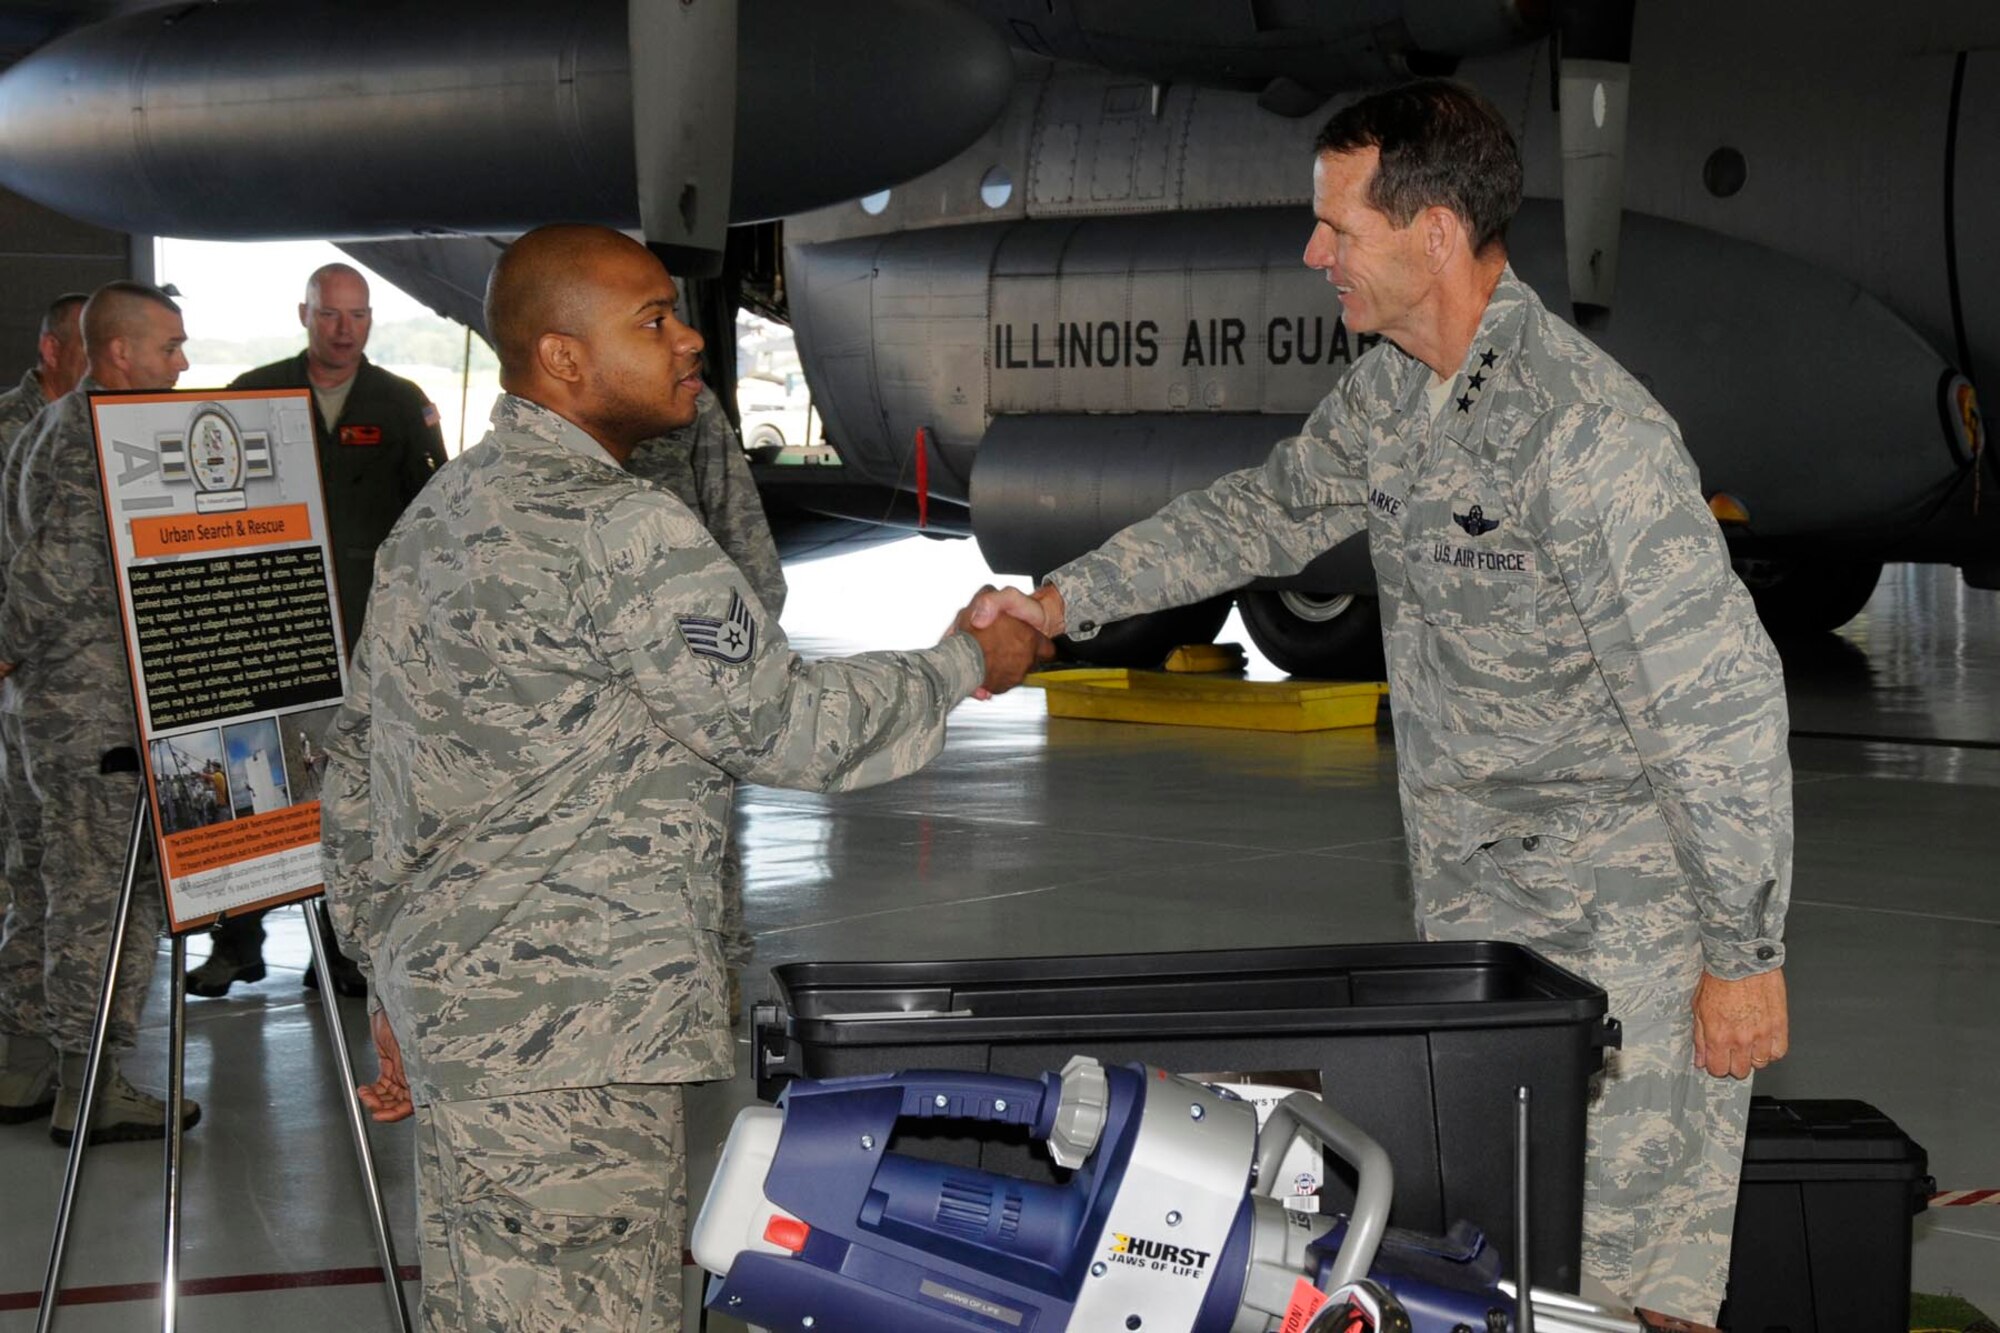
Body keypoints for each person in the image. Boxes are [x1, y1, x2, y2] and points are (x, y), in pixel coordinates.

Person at [972, 80, 1791, 1324]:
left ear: (1435, 234)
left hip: (1625, 936)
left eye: (1337, 229)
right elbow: (1259, 512)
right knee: (1505, 1264)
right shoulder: (1395, 395)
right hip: (1481, 921)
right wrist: (1063, 601)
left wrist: (1741, 956)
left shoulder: (1585, 436)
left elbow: (1715, 712)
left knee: (1628, 1287)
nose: (1313, 254)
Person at [320, 223, 1050, 1331]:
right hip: (578, 1044)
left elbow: (360, 760)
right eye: (650, 321)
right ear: (562, 357)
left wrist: (390, 972)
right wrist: (964, 662)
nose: (686, 344)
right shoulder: (622, 528)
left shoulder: (442, 513)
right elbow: (785, 726)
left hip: (471, 1028)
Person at [186, 262, 449, 1000]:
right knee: (250, 783)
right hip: (269, 625)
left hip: (365, 631)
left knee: (347, 794)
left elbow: (434, 516)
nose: (345, 329)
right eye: (331, 314)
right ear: (303, 314)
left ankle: (338, 954)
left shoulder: (399, 404)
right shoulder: (253, 392)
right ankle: (236, 941)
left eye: (358, 315)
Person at [0, 280, 202, 1142]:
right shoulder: (99, 438)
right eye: (169, 347)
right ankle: (92, 1083)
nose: (182, 361)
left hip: (46, 708)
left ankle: (23, 1063)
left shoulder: (51, 423)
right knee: (105, 899)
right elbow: (56, 570)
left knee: (39, 882)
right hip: (97, 713)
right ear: (119, 354)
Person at [627, 386, 788, 1018]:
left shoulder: (682, 397)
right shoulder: (548, 403)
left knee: (701, 829)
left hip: (684, 663)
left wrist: (739, 665)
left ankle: (709, 980)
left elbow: (745, 540)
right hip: (584, 674)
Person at [0, 295, 86, 975]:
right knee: (23, 865)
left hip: (75, 683)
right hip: (16, 669)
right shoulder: (10, 427)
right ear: (51, 349)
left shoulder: (105, 431)